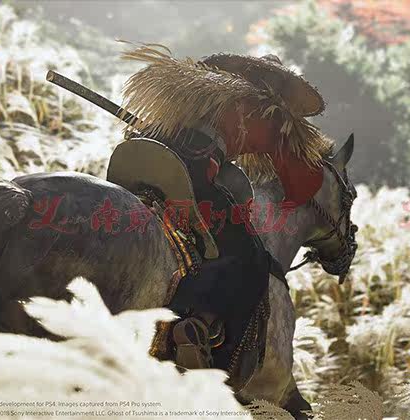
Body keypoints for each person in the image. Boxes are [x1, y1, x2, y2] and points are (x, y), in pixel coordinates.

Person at [117, 44, 332, 389]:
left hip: (144, 156)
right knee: (250, 257)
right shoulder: (269, 116)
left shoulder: (199, 90)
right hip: (190, 172)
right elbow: (300, 179)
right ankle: (194, 327)